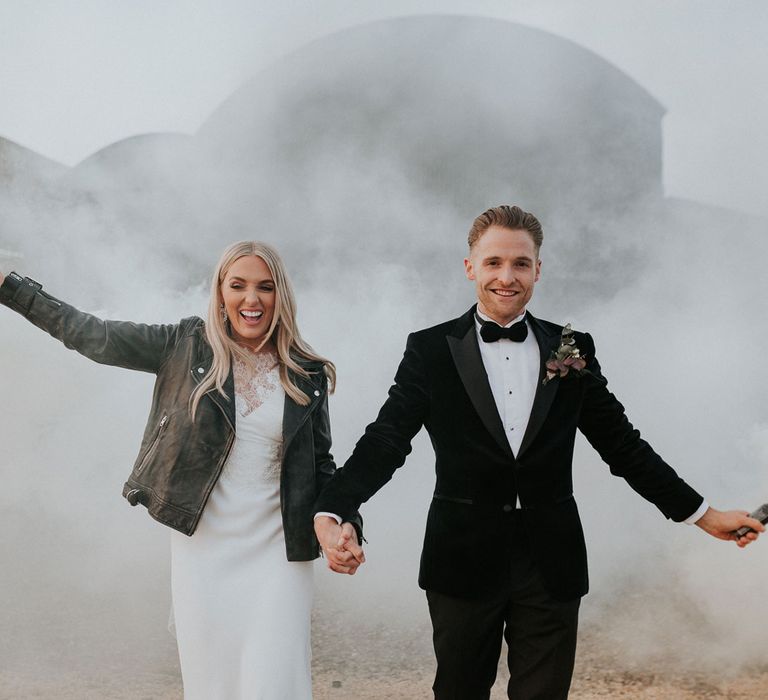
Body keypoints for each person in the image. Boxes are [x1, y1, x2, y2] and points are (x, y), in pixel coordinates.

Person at [314, 205, 764, 700]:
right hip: (461, 558)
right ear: (470, 267)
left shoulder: (572, 347)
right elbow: (387, 440)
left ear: (538, 270)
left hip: (551, 561)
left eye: (521, 264)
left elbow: (623, 445)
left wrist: (703, 514)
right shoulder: (430, 350)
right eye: (493, 263)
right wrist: (333, 508)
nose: (507, 277)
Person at [0, 241, 362, 700]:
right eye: (238, 286)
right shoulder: (185, 345)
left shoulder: (305, 373)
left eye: (264, 287)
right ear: (220, 293)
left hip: (277, 552)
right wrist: (9, 288)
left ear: (281, 296)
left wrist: (340, 522)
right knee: (212, 684)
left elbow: (321, 466)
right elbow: (93, 336)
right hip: (203, 549)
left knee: (274, 680)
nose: (251, 299)